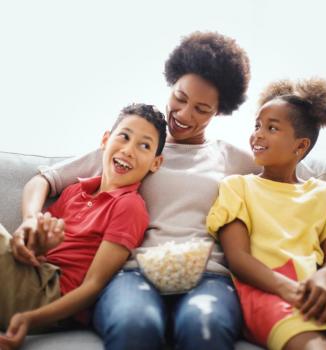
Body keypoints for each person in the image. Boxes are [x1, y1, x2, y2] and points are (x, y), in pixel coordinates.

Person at [6, 31, 258, 350]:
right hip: (130, 274)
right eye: (180, 98)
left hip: (207, 277)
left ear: (219, 111)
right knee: (134, 325)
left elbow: (296, 182)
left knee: (202, 325)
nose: (183, 114)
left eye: (201, 109)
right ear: (171, 84)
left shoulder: (231, 158)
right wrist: (30, 218)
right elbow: (45, 179)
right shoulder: (133, 148)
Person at [0, 103, 167, 349]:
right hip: (30, 275)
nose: (129, 150)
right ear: (105, 140)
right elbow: (40, 247)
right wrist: (34, 243)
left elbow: (93, 286)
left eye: (144, 146)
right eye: (124, 137)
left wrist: (29, 319)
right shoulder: (75, 191)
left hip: (51, 295)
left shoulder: (129, 206)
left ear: (156, 163)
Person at [207, 78, 326, 350]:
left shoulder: (325, 194)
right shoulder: (238, 187)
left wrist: (322, 280)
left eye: (271, 128)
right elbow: (238, 258)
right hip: (266, 293)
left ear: (300, 146)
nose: (258, 134)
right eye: (257, 126)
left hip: (318, 290)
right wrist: (292, 291)